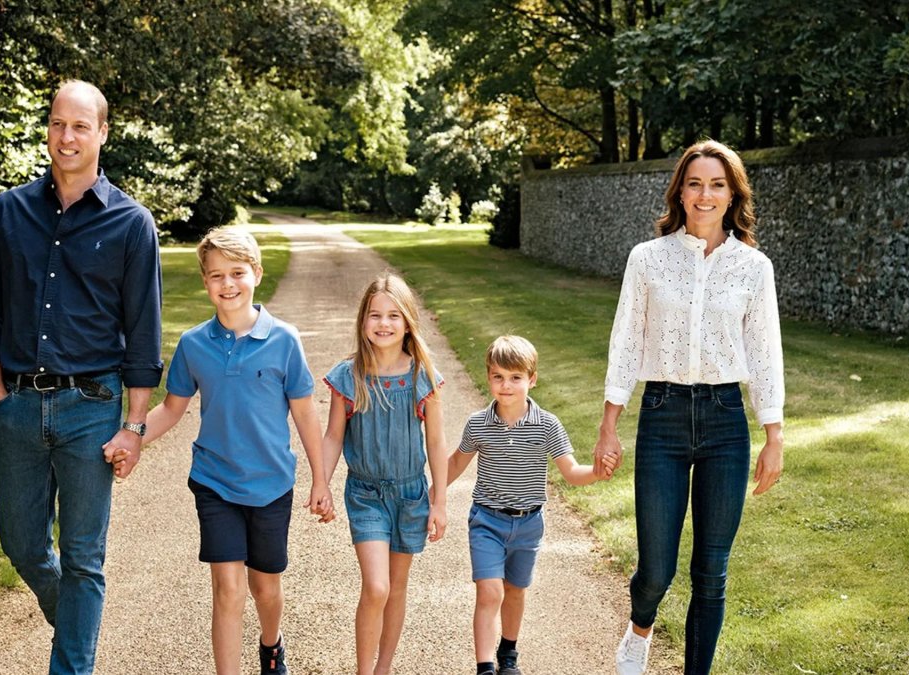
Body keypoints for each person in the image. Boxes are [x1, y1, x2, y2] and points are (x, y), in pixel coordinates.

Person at [0, 80, 163, 674]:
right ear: (48, 129)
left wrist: (133, 425)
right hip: (20, 407)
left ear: (103, 133)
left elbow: (144, 333)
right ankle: (77, 632)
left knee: (83, 557)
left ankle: (71, 666)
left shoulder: (133, 223)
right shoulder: (8, 212)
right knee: (23, 544)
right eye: (58, 124)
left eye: (81, 126)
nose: (67, 136)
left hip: (91, 407)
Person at [106, 227, 333, 675]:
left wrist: (320, 479)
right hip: (215, 482)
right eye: (216, 276)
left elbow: (306, 416)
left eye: (237, 273)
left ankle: (272, 646)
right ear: (204, 282)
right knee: (227, 588)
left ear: (256, 275)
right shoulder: (193, 344)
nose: (227, 284)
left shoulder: (284, 339)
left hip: (271, 484)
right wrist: (130, 435)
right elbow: (172, 410)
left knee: (265, 589)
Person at [595, 140, 785, 675]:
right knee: (656, 569)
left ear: (732, 195)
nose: (706, 194)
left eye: (717, 184)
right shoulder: (647, 259)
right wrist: (610, 424)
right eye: (696, 183)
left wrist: (774, 436)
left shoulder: (753, 268)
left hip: (726, 420)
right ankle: (639, 630)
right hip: (662, 415)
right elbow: (626, 342)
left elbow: (765, 353)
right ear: (680, 190)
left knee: (711, 571)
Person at [443, 335, 613, 675]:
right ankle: (485, 667)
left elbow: (571, 472)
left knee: (515, 591)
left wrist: (596, 472)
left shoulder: (547, 425)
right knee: (490, 591)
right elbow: (456, 463)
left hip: (528, 524)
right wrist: (433, 494)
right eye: (498, 377)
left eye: (516, 377)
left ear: (532, 379)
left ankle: (508, 654)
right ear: (489, 377)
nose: (506, 386)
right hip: (487, 521)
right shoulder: (478, 424)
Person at [319, 274, 449, 675]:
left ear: (408, 322)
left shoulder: (422, 377)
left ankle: (384, 668)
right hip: (365, 494)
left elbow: (436, 444)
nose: (384, 324)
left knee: (396, 589)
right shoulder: (348, 376)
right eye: (375, 315)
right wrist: (320, 482)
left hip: (411, 495)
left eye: (394, 315)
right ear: (363, 321)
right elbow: (333, 436)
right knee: (376, 587)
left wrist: (439, 501)